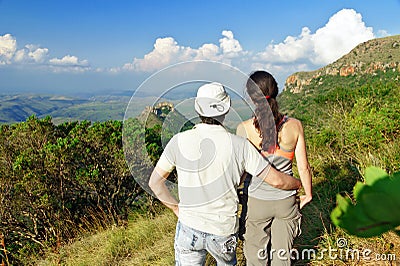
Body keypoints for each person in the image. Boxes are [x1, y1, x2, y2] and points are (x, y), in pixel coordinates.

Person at [149, 82, 301, 266]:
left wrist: (176, 208)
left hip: (189, 226)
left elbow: (155, 183)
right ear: (226, 110)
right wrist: (297, 184)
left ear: (198, 110)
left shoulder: (178, 141)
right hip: (223, 231)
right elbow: (276, 181)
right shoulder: (241, 146)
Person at [237, 71, 312, 266]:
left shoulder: (244, 129)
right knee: (282, 256)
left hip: (256, 201)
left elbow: (242, 171)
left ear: (251, 97)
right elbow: (304, 167)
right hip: (286, 200)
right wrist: (308, 194)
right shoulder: (295, 126)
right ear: (277, 91)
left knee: (255, 256)